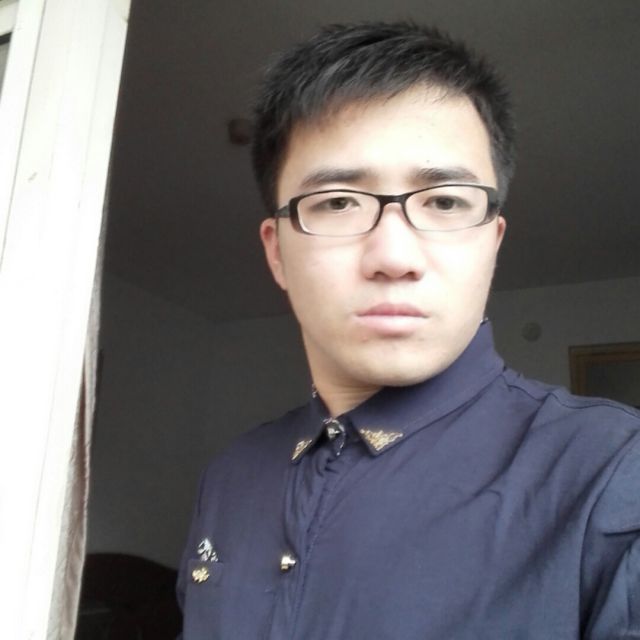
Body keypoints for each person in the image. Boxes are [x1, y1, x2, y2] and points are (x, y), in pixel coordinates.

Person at [177, 22, 640, 639]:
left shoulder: (615, 471)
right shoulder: (230, 477)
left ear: (492, 242)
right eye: (337, 202)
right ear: (277, 252)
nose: (394, 257)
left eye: (445, 202)